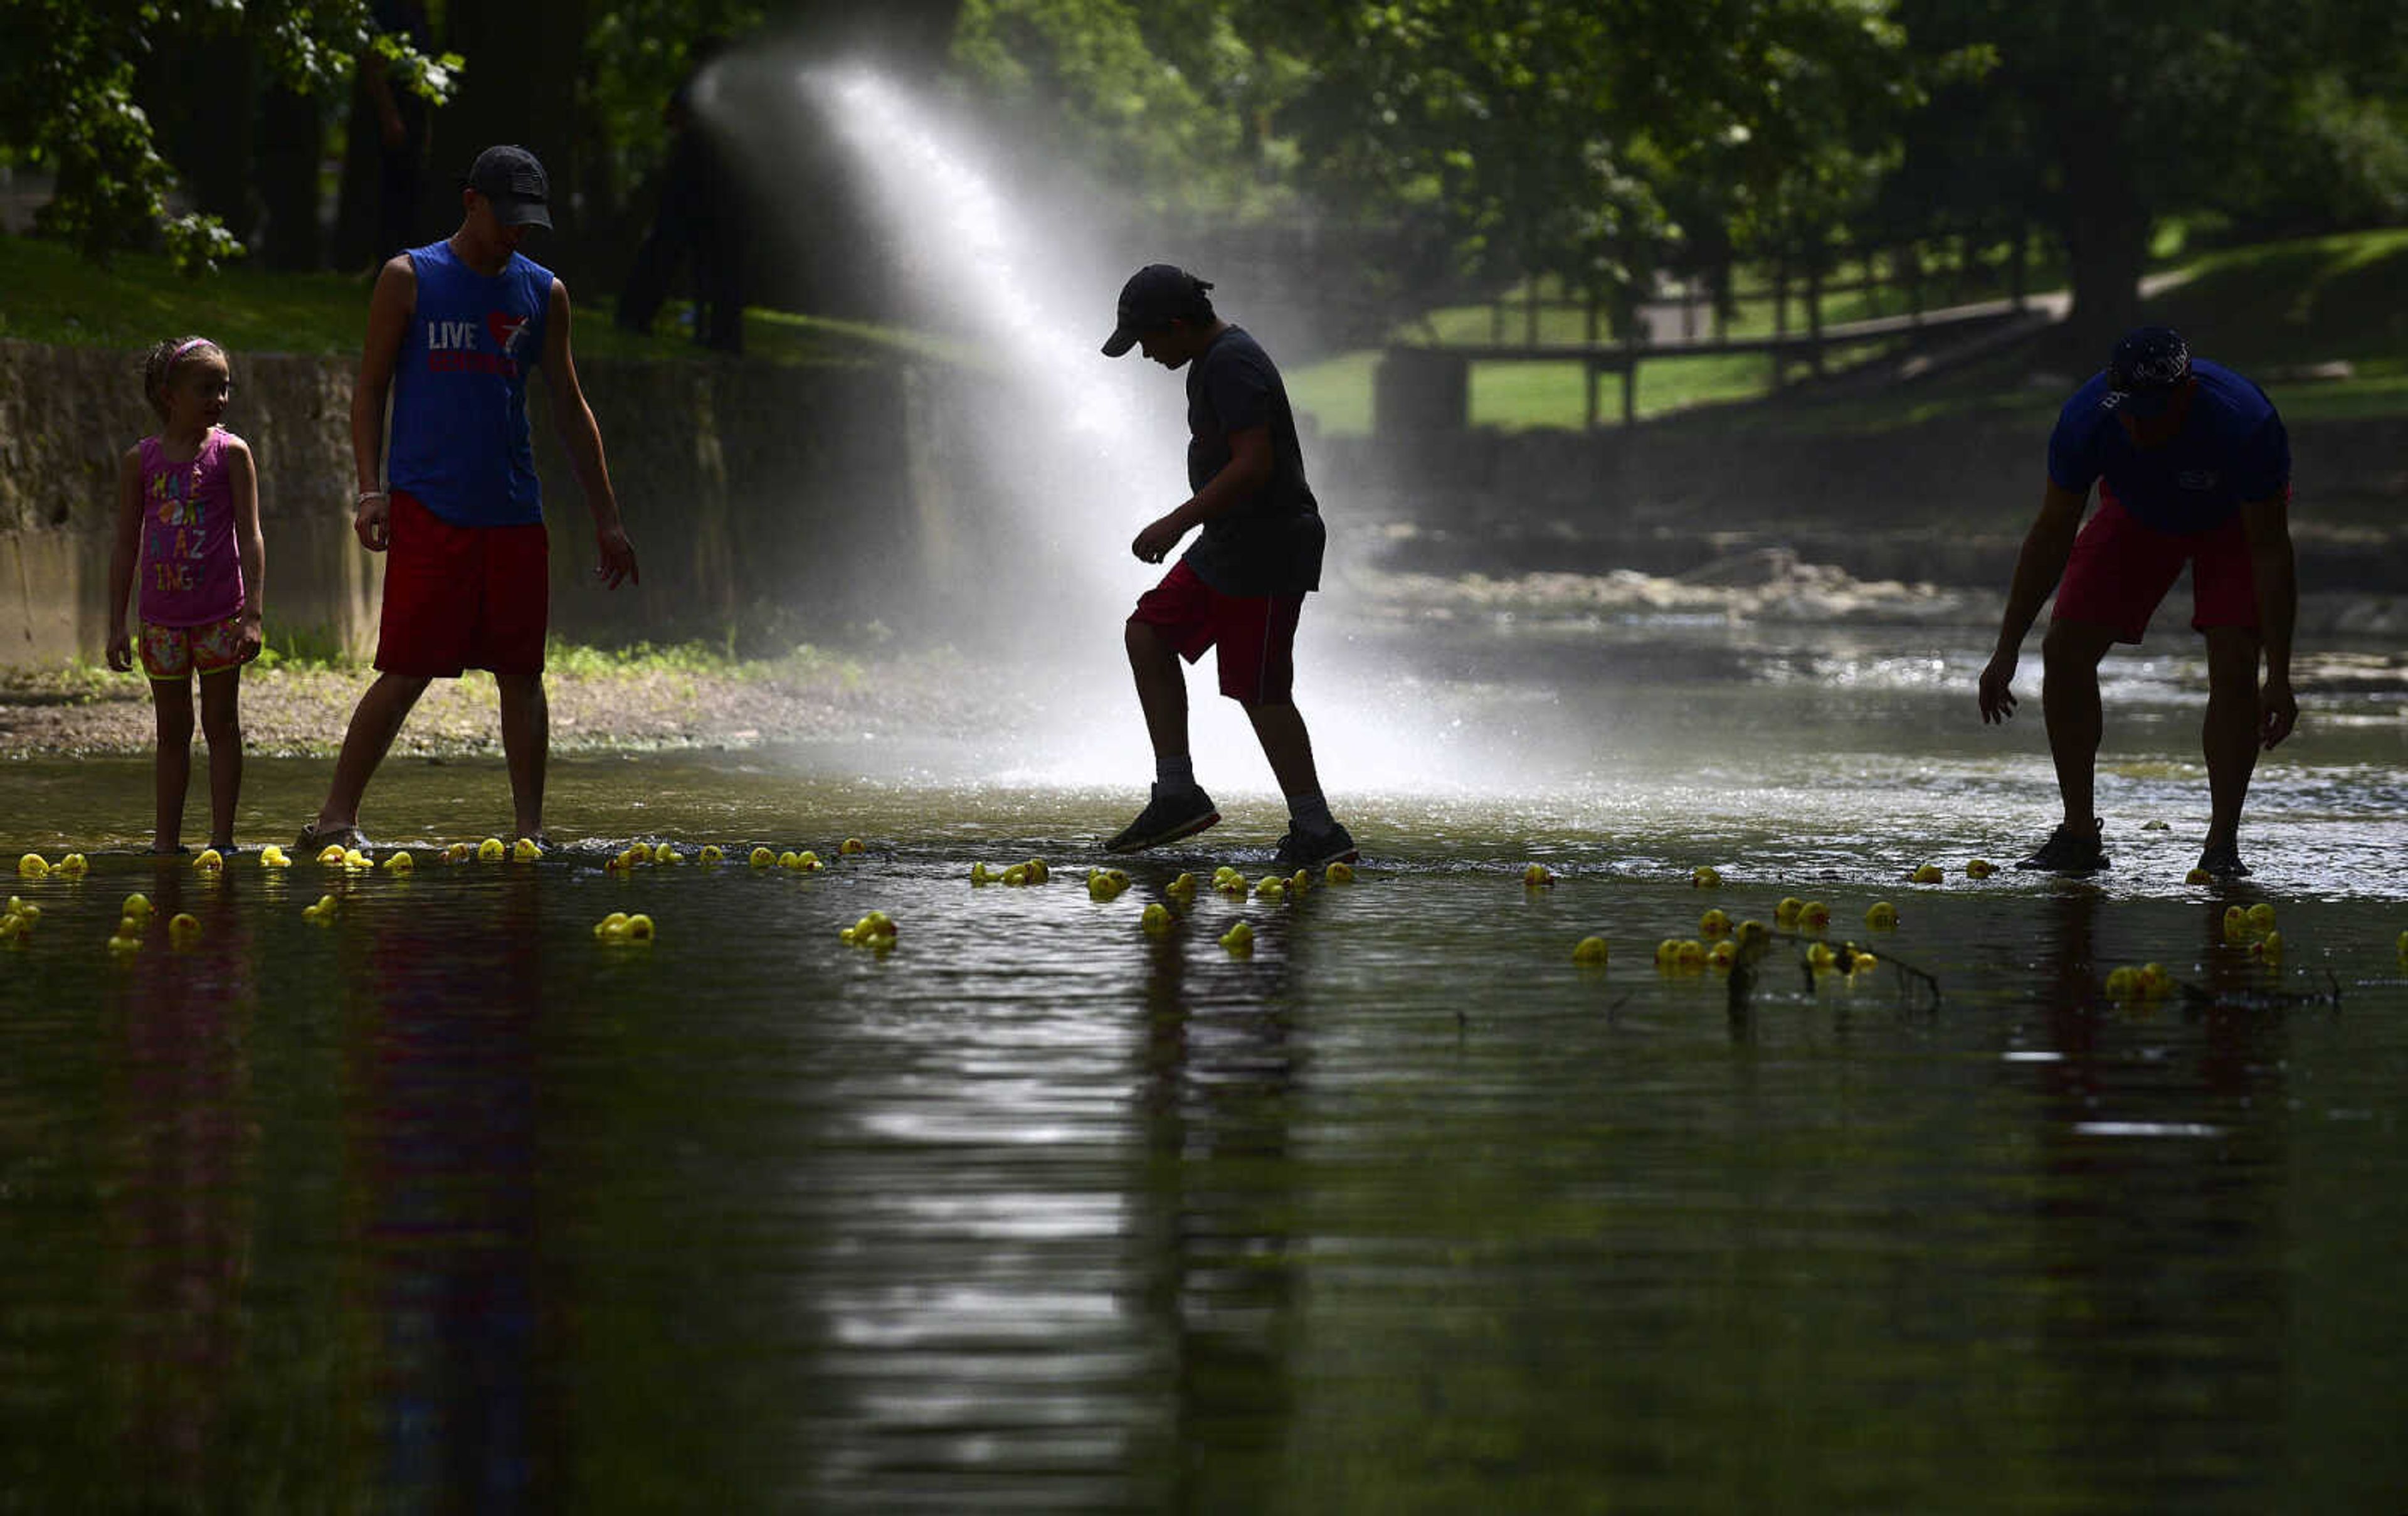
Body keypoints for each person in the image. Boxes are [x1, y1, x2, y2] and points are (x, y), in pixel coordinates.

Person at [297, 145, 639, 854]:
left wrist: (607, 517)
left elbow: (570, 408)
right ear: (471, 201)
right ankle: (335, 815)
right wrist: (371, 491)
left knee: (523, 672)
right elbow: (369, 390)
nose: (515, 233)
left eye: (528, 223)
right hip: (429, 506)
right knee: (409, 667)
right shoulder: (408, 278)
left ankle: (529, 832)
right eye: (506, 217)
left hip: (514, 511)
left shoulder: (543, 293)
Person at [1978, 326, 2297, 877]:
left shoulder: (2245, 422)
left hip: (2233, 526)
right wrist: (2006, 648)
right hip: (2140, 514)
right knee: (2065, 647)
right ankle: (2079, 833)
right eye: (2129, 409)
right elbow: (2053, 532)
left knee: (2235, 660)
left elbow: (2269, 552)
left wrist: (2282, 675)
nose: (2138, 425)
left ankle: (2221, 846)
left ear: (2187, 392)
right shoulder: (2088, 418)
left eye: (2154, 411)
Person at [1100, 263, 1357, 867]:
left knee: (1260, 688)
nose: (1145, 355)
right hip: (1231, 541)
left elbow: (1253, 464)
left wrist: (1176, 520)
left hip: (1267, 546)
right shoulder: (1211, 361)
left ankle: (1318, 830)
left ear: (1177, 324)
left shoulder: (1232, 363)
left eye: (1147, 341)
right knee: (1149, 631)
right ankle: (1176, 791)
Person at [105, 337, 265, 855]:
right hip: (162, 622)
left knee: (222, 725)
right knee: (172, 731)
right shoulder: (142, 462)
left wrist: (253, 614)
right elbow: (126, 545)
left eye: (225, 388)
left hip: (220, 617)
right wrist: (116, 624)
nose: (219, 398)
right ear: (169, 395)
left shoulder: (231, 454)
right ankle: (166, 843)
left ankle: (223, 839)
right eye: (207, 389)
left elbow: (250, 533)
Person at [615, 36, 746, 354]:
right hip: (698, 186)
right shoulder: (707, 87)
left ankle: (715, 333)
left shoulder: (707, 86)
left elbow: (672, 119)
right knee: (697, 258)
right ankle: (716, 333)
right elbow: (673, 118)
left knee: (691, 257)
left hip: (700, 186)